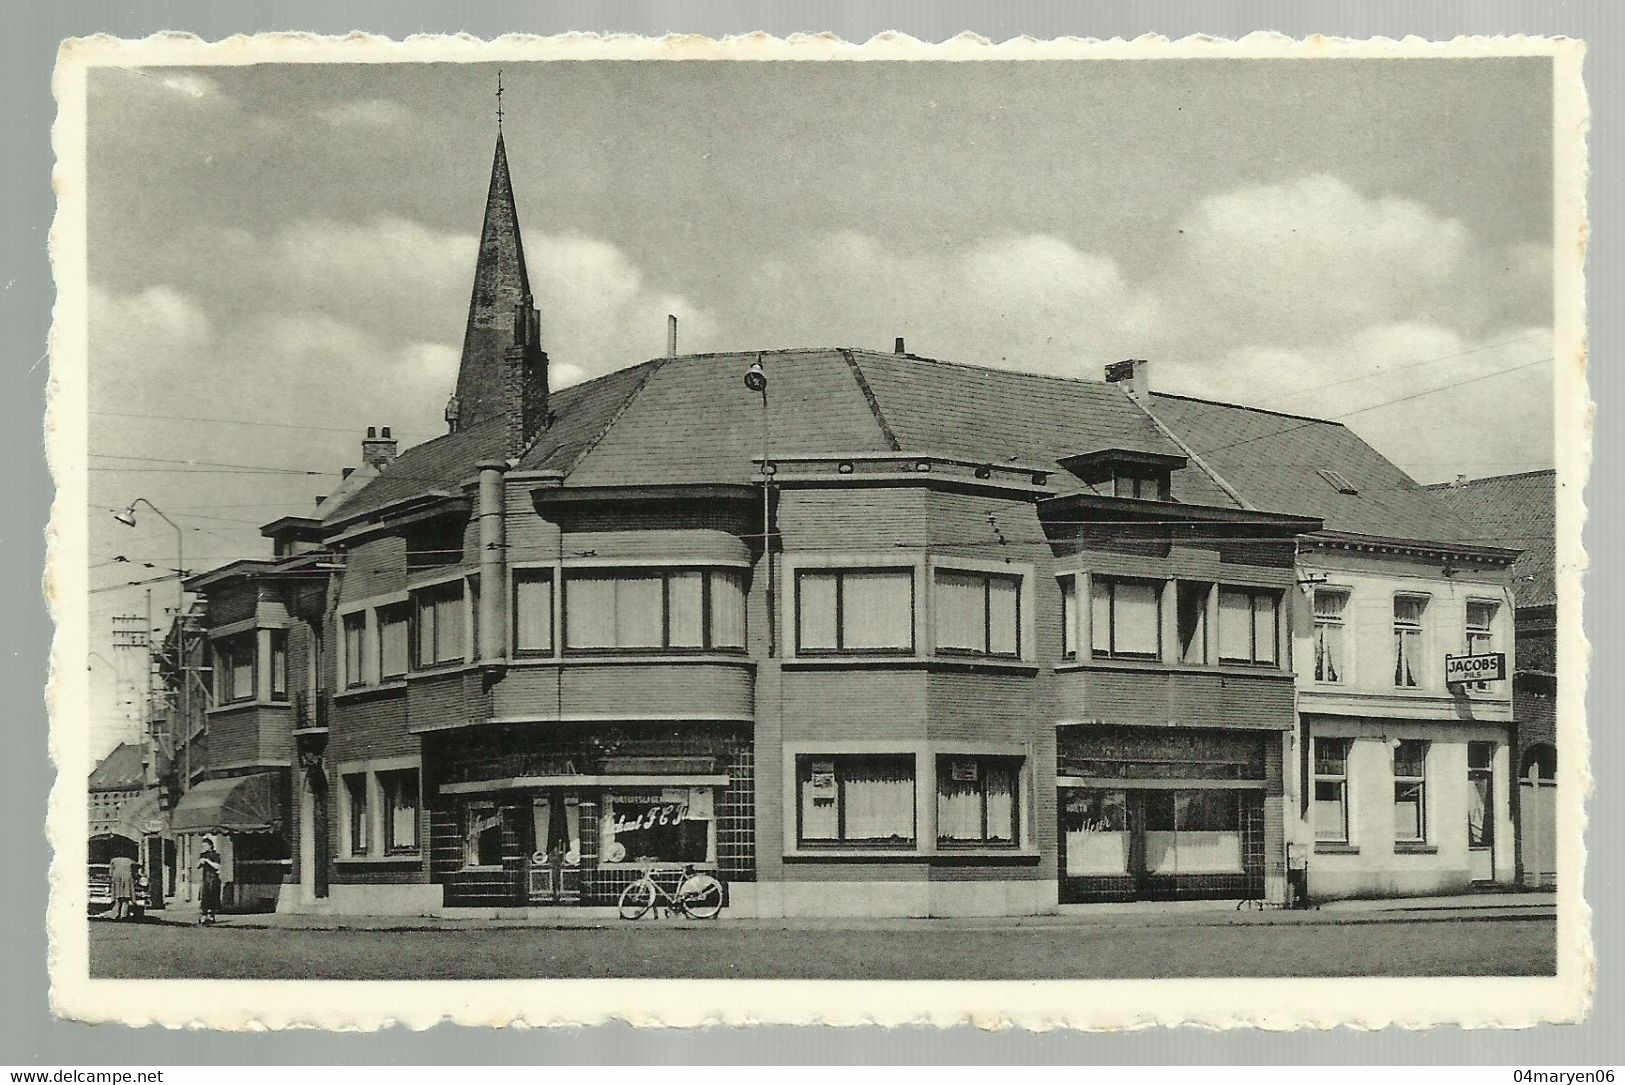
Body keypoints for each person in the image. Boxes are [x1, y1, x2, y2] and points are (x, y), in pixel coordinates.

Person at [197, 836, 223, 925]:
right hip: (205, 879)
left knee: (213, 897)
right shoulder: (203, 854)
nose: (203, 848)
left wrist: (207, 861)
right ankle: (204, 916)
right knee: (204, 897)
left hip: (214, 878)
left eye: (205, 846)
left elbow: (217, 866)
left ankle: (212, 916)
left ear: (210, 846)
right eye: (202, 846)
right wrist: (200, 862)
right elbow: (198, 866)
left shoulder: (216, 855)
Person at [107, 853, 136, 920]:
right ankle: (123, 915)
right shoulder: (130, 860)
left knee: (117, 897)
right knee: (126, 898)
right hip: (127, 878)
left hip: (116, 878)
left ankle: (116, 914)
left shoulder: (113, 860)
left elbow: (110, 873)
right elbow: (135, 870)